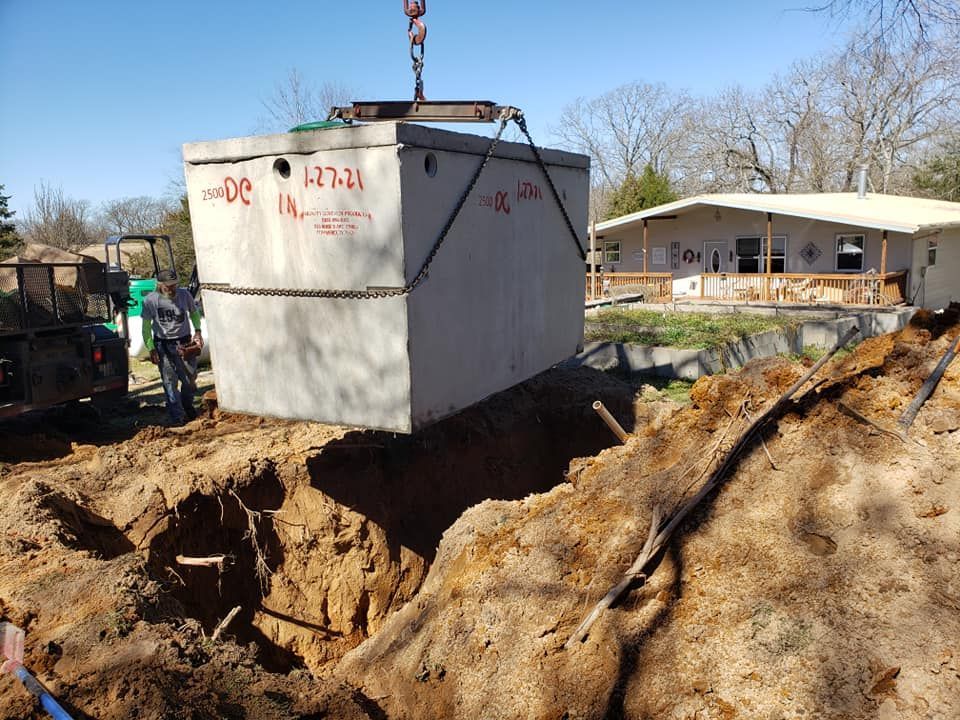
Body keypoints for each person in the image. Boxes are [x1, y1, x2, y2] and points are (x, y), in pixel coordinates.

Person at [142, 269, 203, 426]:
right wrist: (151, 348)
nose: (172, 289)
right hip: (163, 344)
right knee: (170, 381)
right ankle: (177, 416)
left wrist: (198, 331)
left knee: (190, 379)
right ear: (160, 285)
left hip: (185, 342)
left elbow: (194, 313)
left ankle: (187, 406)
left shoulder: (184, 295)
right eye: (168, 286)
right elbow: (146, 327)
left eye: (174, 285)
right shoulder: (151, 300)